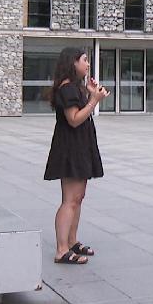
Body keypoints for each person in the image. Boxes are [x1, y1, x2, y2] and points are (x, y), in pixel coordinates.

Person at [44, 47, 107, 265]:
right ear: (73, 63)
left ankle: (72, 241)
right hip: (70, 148)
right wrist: (94, 100)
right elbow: (74, 119)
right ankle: (62, 249)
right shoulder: (67, 89)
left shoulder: (74, 88)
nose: (88, 64)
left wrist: (90, 93)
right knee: (69, 200)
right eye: (84, 60)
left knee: (77, 198)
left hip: (79, 147)